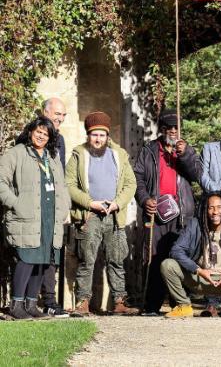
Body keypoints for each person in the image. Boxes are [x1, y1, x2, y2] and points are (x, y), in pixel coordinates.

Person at [65, 111, 138, 315]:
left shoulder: (119, 155)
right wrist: (90, 203)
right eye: (94, 134)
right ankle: (83, 303)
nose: (98, 139)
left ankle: (119, 302)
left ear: (107, 136)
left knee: (116, 259)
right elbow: (68, 185)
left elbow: (130, 183)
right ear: (88, 135)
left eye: (102, 135)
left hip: (114, 215)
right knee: (87, 260)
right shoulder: (78, 155)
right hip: (90, 215)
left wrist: (117, 204)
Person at [0, 117, 70, 319]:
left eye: (46, 134)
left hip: (49, 216)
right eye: (38, 131)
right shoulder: (16, 153)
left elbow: (62, 186)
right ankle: (16, 306)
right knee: (26, 259)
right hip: (26, 216)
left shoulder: (52, 157)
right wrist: (15, 203)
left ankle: (31, 305)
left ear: (50, 138)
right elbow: (1, 181)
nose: (41, 136)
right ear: (30, 131)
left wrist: (64, 208)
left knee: (42, 260)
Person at [133, 109, 201, 315]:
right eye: (169, 127)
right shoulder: (149, 150)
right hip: (157, 213)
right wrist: (145, 200)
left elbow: (197, 174)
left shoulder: (187, 150)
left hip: (181, 215)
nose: (173, 131)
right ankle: (152, 304)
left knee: (178, 257)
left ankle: (178, 303)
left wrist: (186, 154)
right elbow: (138, 178)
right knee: (154, 258)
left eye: (176, 127)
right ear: (162, 129)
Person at [40, 97, 70, 318]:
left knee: (53, 253)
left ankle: (50, 301)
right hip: (37, 204)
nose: (59, 118)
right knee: (35, 254)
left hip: (55, 204)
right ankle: (31, 300)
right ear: (44, 112)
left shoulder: (60, 140)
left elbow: (61, 175)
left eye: (63, 115)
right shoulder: (34, 135)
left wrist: (64, 206)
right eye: (56, 113)